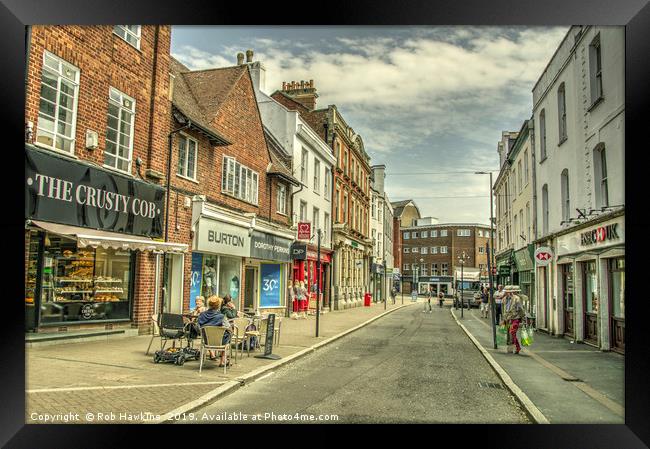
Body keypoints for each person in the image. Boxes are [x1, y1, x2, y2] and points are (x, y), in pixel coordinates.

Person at [197, 296, 232, 366]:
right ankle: (223, 360)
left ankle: (214, 355)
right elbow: (229, 327)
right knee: (228, 333)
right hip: (220, 342)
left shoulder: (201, 315)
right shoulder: (221, 317)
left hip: (207, 341)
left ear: (208, 305)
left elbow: (198, 328)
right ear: (218, 306)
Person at [503, 286, 526, 354]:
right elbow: (504, 308)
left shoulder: (516, 298)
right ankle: (511, 347)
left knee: (512, 332)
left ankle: (517, 347)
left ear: (510, 292)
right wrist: (504, 318)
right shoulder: (505, 299)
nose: (505, 293)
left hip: (515, 318)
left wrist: (522, 317)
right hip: (508, 318)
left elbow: (521, 309)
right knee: (509, 333)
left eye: (506, 292)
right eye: (505, 292)